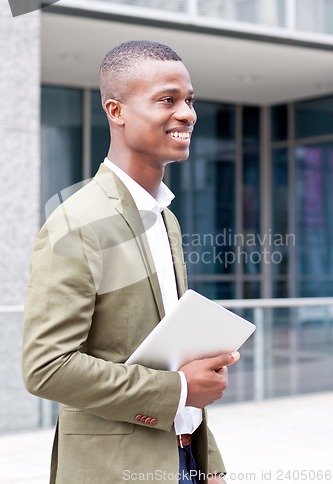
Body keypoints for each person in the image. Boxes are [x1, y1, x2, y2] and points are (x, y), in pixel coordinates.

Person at [22, 40, 240, 484]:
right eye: (167, 100)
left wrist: (208, 463)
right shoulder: (78, 222)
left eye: (189, 100)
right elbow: (47, 367)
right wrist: (178, 389)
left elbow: (175, 355)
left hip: (187, 463)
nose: (187, 114)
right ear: (116, 111)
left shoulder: (167, 220)